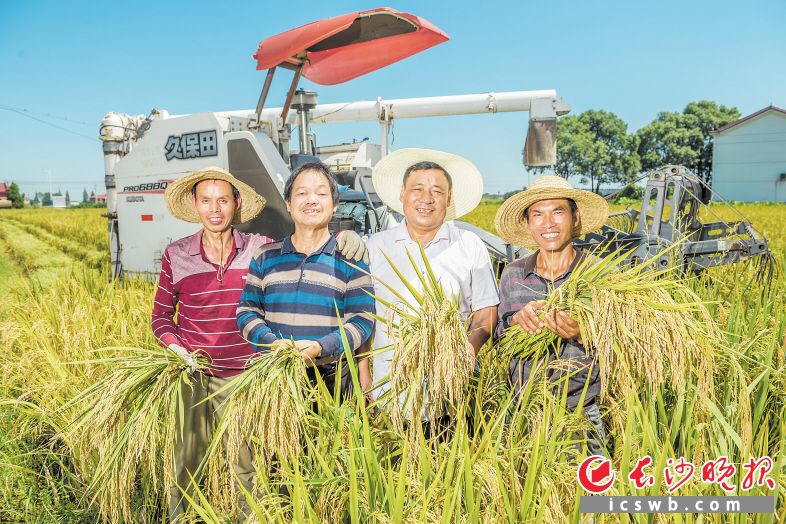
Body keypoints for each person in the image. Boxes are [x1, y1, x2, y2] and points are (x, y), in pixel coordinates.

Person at [151, 166, 365, 520]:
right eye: (206, 200)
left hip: (248, 377)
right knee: (186, 463)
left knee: (247, 468)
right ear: (195, 204)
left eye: (223, 200)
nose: (215, 209)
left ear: (236, 204)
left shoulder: (261, 249)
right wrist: (176, 347)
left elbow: (304, 246)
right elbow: (160, 317)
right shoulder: (176, 254)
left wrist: (350, 239)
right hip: (192, 377)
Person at [363, 148, 500, 425]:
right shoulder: (375, 246)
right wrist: (364, 376)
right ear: (402, 194)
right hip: (387, 393)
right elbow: (364, 316)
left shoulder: (469, 245)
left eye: (437, 191)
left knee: (451, 465)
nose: (427, 199)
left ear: (449, 199)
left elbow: (486, 313)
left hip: (451, 393)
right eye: (418, 189)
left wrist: (464, 355)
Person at [236, 162, 375, 400]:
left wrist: (321, 347)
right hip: (276, 374)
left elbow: (362, 320)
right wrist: (272, 344)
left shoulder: (351, 258)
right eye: (301, 193)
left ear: (334, 205)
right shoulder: (265, 256)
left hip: (334, 378)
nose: (311, 200)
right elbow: (247, 312)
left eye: (321, 194)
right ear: (289, 204)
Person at [493, 175, 609, 455]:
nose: (548, 224)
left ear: (575, 217)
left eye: (558, 212)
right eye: (538, 215)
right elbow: (499, 336)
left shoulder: (601, 274)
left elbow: (623, 342)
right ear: (528, 223)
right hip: (524, 411)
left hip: (582, 411)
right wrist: (516, 321)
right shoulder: (512, 274)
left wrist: (582, 332)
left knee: (589, 493)